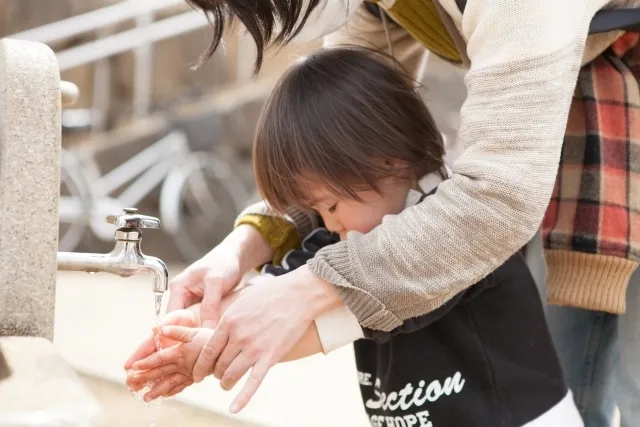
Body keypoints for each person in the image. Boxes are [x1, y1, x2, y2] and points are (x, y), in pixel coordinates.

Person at [163, 1, 640, 425]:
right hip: (565, 137)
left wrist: (298, 293)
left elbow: (496, 201)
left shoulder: (440, 236)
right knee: (578, 375)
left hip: (580, 144)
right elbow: (340, 145)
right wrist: (242, 249)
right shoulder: (370, 223)